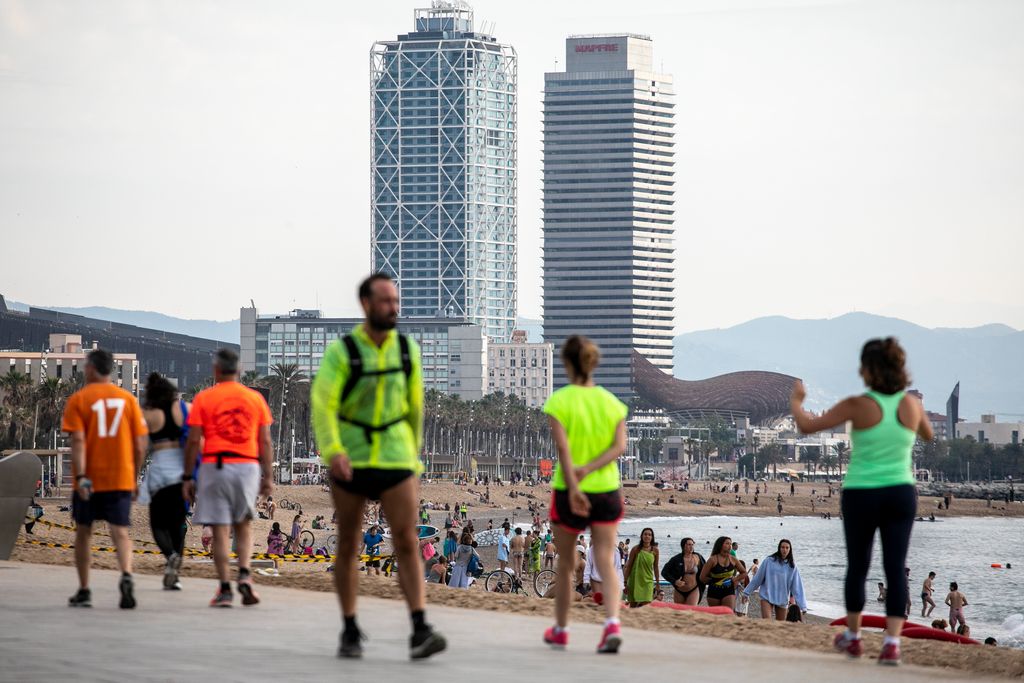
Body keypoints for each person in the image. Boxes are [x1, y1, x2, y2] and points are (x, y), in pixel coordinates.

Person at [310, 274, 446, 659]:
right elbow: (324, 405)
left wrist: (416, 456)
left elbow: (415, 407)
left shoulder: (407, 350)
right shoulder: (344, 351)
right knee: (349, 543)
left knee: (406, 539)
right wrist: (332, 451)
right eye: (386, 301)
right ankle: (350, 628)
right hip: (351, 457)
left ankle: (420, 627)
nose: (394, 308)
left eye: (396, 300)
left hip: (397, 458)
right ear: (366, 305)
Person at [791, 337, 933, 666]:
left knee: (858, 566)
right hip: (900, 491)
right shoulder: (910, 405)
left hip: (862, 492)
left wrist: (798, 401)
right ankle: (891, 644)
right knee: (895, 568)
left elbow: (806, 426)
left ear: (868, 370)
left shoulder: (857, 404)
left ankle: (854, 638)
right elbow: (927, 434)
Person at [542, 335, 629, 653]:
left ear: (566, 364)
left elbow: (563, 449)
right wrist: (592, 469)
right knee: (606, 559)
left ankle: (562, 629)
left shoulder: (559, 401)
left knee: (566, 564)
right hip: (607, 489)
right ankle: (612, 625)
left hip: (568, 490)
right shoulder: (612, 403)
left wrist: (577, 482)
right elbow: (620, 447)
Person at [184, 348, 274, 608]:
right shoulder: (255, 399)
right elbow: (265, 441)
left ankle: (224, 588)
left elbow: (192, 441)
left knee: (220, 530)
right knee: (244, 526)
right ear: (239, 370)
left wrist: (188, 476)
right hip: (246, 466)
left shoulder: (204, 398)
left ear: (216, 370)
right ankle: (245, 577)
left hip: (215, 465)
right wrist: (268, 476)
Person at [62, 348, 148, 609]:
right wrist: (133, 476)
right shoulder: (128, 400)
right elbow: (141, 444)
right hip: (121, 476)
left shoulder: (79, 400)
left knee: (84, 532)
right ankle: (126, 575)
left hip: (90, 479)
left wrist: (82, 475)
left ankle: (85, 589)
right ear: (110, 370)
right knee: (120, 531)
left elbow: (78, 441)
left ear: (90, 369)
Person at [139, 372, 189, 591]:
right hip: (181, 472)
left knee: (158, 524)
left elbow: (141, 448)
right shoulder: (184, 409)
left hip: (160, 472)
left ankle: (170, 556)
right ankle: (175, 574)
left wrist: (133, 476)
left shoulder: (149, 414)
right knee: (178, 525)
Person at [743, 539, 807, 621]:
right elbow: (758, 578)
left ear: (790, 550)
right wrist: (746, 592)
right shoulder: (769, 561)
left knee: (780, 625)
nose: (785, 550)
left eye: (787, 548)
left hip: (782, 598)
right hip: (767, 595)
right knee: (767, 623)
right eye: (782, 547)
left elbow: (797, 587)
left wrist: (803, 606)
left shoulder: (792, 566)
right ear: (779, 548)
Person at [700, 536, 747, 611]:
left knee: (728, 613)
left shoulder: (733, 559)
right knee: (716, 615)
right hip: (714, 590)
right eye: (727, 543)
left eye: (730, 544)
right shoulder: (712, 560)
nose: (730, 546)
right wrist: (714, 582)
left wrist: (735, 579)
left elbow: (744, 572)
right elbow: (702, 577)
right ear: (720, 545)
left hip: (729, 589)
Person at [661, 538, 704, 606]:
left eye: (692, 544)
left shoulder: (698, 557)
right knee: (679, 612)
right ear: (683, 546)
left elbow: (706, 570)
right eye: (689, 544)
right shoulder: (676, 559)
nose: (691, 546)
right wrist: (675, 581)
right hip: (679, 590)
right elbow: (664, 572)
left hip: (693, 589)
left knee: (690, 610)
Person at [624, 528, 659, 608]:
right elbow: (629, 566)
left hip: (648, 581)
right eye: (645, 534)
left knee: (646, 605)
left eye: (649, 535)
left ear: (652, 537)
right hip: (635, 580)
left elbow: (656, 567)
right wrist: (625, 582)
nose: (647, 536)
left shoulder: (655, 550)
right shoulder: (635, 549)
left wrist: (657, 583)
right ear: (641, 536)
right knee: (633, 606)